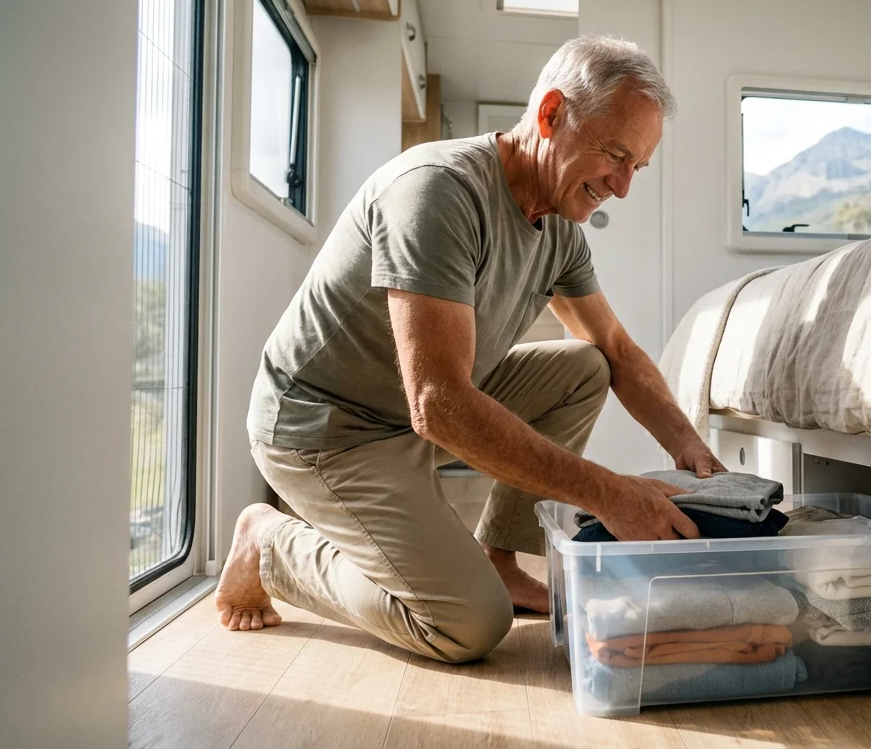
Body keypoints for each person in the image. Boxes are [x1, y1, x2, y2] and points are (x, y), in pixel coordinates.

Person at [215, 35, 725, 664]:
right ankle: (269, 546)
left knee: (584, 367)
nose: (620, 188)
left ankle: (498, 556)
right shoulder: (437, 192)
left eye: (636, 168)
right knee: (468, 625)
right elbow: (439, 404)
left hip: (409, 412)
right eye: (614, 155)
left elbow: (614, 348)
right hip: (326, 428)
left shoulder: (559, 232)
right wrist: (609, 494)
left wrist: (690, 446)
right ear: (551, 114)